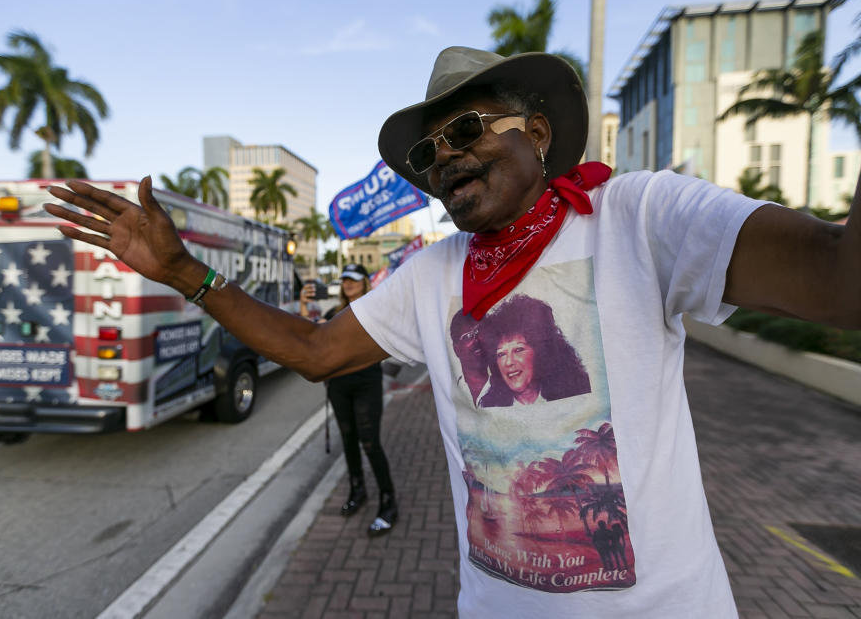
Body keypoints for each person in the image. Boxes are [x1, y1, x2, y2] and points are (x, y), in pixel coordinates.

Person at [44, 46, 860, 618]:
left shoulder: (638, 218)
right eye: (432, 153)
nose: (447, 160)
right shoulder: (432, 276)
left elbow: (838, 280)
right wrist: (187, 271)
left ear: (535, 132)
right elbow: (317, 351)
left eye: (467, 131)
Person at [299, 263, 397, 536]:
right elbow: (310, 337)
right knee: (348, 439)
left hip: (367, 384)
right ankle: (358, 490)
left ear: (365, 282)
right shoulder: (334, 313)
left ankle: (388, 502)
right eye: (345, 279)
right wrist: (304, 307)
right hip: (339, 385)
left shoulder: (376, 309)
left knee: (370, 442)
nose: (348, 283)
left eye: (354, 279)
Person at [474, 294, 590, 407]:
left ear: (541, 353)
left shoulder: (576, 392)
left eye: (518, 349)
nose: (508, 362)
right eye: (501, 354)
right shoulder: (488, 405)